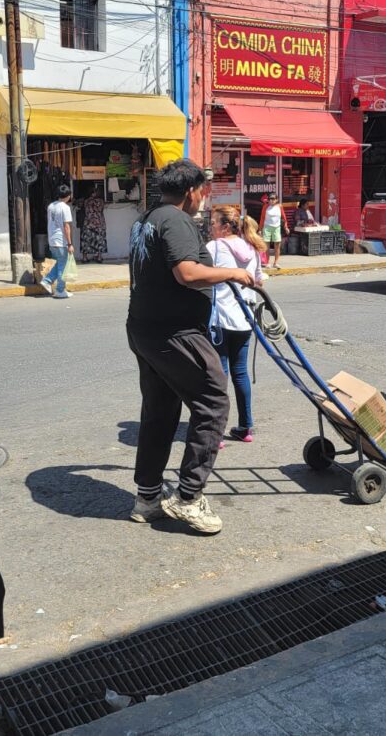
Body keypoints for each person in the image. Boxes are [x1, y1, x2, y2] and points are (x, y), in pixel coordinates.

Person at [126, 159, 254, 535]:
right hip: (175, 332)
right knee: (213, 402)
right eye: (203, 191)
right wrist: (234, 273)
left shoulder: (146, 219)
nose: (204, 198)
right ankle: (188, 497)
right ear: (192, 191)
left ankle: (147, 497)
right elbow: (187, 273)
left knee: (160, 411)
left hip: (145, 328)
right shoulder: (177, 220)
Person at [206, 206, 265, 446]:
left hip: (219, 320)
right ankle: (245, 426)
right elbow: (259, 281)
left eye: (213, 223)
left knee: (218, 376)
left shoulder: (214, 248)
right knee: (240, 373)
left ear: (225, 226)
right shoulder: (251, 248)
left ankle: (216, 432)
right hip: (244, 318)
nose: (210, 227)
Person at [41, 185, 75, 298]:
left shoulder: (51, 206)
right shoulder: (65, 208)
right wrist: (70, 244)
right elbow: (66, 227)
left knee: (58, 264)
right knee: (63, 266)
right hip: (61, 241)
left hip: (52, 240)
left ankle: (47, 280)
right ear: (68, 196)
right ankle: (60, 290)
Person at [80, 185, 107, 263]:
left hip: (88, 223)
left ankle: (85, 258)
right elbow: (102, 209)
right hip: (99, 223)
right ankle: (99, 257)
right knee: (99, 240)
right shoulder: (101, 201)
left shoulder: (86, 201)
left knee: (86, 240)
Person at [261, 194, 284, 269]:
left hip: (276, 227)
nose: (271, 200)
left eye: (273, 199)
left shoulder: (279, 207)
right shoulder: (266, 206)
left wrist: (286, 226)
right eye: (270, 199)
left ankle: (276, 262)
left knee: (277, 246)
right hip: (267, 227)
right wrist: (260, 229)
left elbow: (284, 217)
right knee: (266, 246)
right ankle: (267, 262)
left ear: (277, 199)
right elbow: (262, 218)